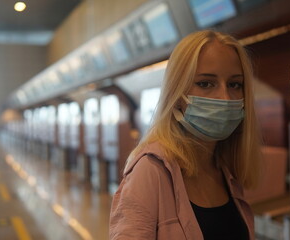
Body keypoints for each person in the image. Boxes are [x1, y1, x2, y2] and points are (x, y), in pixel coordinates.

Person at [109, 30, 261, 240]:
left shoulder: (225, 168)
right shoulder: (150, 170)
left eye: (235, 84)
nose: (225, 97)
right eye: (206, 83)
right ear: (177, 94)